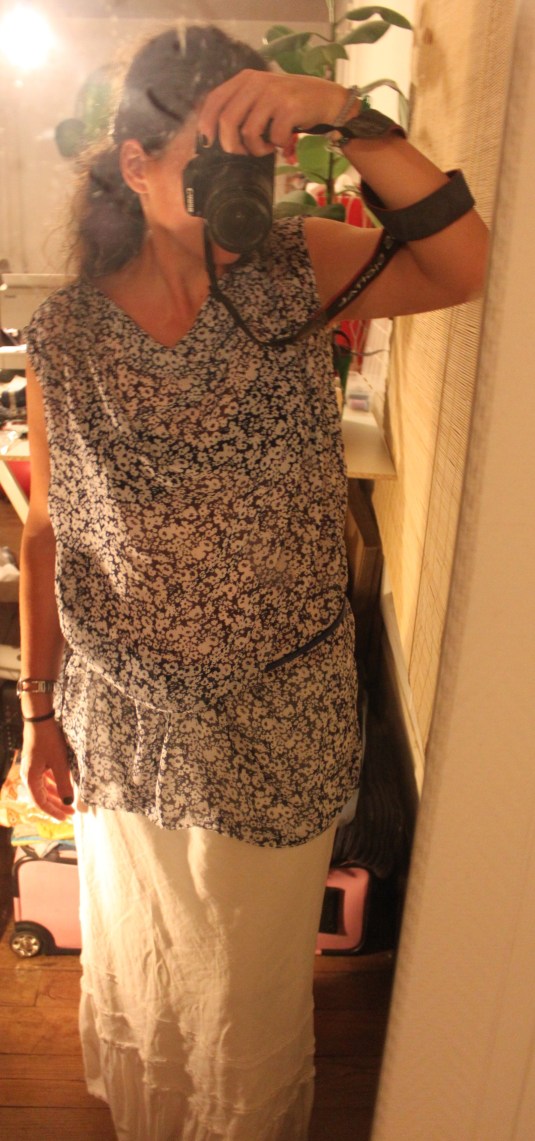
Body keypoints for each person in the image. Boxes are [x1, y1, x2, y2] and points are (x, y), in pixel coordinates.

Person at [17, 23, 488, 1141]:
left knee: (251, 973)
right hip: (126, 716)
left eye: (256, 156)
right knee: (144, 939)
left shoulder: (297, 268)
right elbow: (46, 531)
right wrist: (40, 712)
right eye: (208, 158)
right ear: (135, 164)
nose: (241, 187)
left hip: (278, 713)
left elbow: (462, 264)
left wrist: (346, 115)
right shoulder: (65, 333)